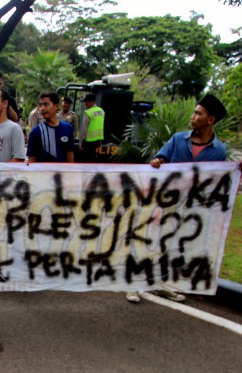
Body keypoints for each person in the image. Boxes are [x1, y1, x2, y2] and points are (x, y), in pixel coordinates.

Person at [126, 93, 240, 304]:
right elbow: (160, 158)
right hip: (165, 203)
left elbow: (218, 180)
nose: (192, 117)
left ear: (210, 120)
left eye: (198, 113)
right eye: (194, 112)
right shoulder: (178, 139)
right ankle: (134, 285)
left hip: (190, 209)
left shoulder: (219, 150)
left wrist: (235, 171)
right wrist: (157, 161)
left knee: (172, 248)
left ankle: (161, 286)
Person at [27, 92, 74, 163]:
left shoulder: (67, 128)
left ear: (56, 106)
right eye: (40, 105)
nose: (42, 108)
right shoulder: (35, 132)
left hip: (62, 170)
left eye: (46, 104)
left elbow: (70, 155)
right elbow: (31, 160)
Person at [77, 93, 105, 163]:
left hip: (88, 142)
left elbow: (84, 129)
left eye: (86, 102)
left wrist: (80, 143)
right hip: (98, 141)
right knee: (93, 161)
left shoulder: (88, 112)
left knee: (85, 162)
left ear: (91, 102)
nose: (85, 104)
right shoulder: (102, 111)